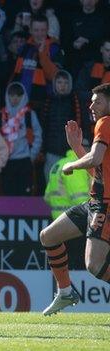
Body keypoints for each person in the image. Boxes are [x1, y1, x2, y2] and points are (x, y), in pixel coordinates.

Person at [39, 83, 110, 316]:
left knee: (94, 265)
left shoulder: (106, 122)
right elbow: (97, 169)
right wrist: (79, 148)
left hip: (105, 204)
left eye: (97, 101)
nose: (91, 105)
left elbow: (95, 158)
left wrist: (71, 164)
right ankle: (66, 292)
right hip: (95, 201)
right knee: (49, 236)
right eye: (91, 100)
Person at [0, 82, 43, 196]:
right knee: (8, 193)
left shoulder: (29, 114)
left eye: (18, 95)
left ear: (23, 97)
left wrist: (31, 155)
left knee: (25, 193)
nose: (15, 98)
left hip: (24, 160)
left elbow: (38, 135)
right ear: (7, 97)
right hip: (7, 161)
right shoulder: (1, 115)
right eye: (11, 95)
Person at [10, 15, 63, 112]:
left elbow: (54, 76)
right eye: (36, 30)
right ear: (30, 30)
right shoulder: (25, 47)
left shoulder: (54, 48)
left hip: (44, 103)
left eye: (42, 30)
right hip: (21, 101)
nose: (39, 34)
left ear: (47, 30)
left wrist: (42, 54)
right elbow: (15, 74)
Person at [43, 70, 86, 181]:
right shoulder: (48, 101)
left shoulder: (75, 101)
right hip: (51, 151)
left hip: (70, 152)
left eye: (66, 83)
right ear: (54, 84)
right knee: (51, 181)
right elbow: (44, 127)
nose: (63, 86)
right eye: (59, 83)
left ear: (70, 84)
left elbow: (82, 123)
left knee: (70, 182)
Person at [44, 147, 90, 220]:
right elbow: (81, 200)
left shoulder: (58, 164)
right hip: (74, 221)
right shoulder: (77, 166)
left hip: (57, 220)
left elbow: (47, 197)